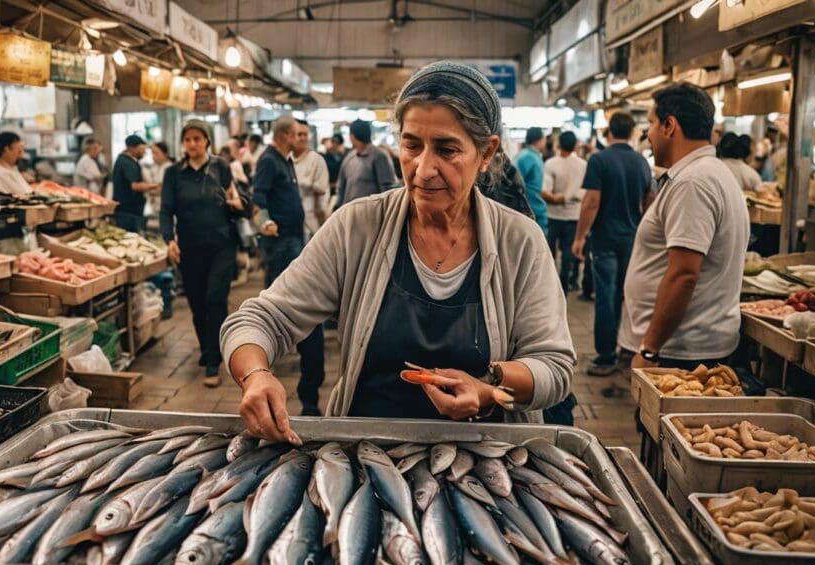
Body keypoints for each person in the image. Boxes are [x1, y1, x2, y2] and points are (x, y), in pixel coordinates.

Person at [222, 62, 575, 443]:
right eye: (412, 145)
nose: (423, 169)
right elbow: (261, 318)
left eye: (447, 149)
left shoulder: (520, 242)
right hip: (364, 456)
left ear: (486, 152)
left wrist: (490, 390)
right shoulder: (357, 227)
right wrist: (256, 375)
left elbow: (553, 368)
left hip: (483, 459)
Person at [623, 82, 749, 371]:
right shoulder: (706, 173)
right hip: (685, 347)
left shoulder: (693, 182)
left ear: (670, 126)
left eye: (652, 124)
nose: (648, 135)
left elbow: (684, 274)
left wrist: (650, 349)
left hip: (681, 353)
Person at [161, 120, 249, 386]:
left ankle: (213, 361)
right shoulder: (174, 173)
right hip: (190, 247)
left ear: (207, 142)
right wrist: (169, 239)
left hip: (221, 244)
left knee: (215, 299)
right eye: (188, 140)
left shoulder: (220, 167)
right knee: (197, 304)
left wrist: (236, 203)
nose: (192, 144)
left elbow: (237, 200)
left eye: (198, 139)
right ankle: (207, 349)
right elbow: (166, 210)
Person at [251, 116, 326, 416]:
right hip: (282, 243)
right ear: (285, 135)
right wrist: (264, 223)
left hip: (297, 239)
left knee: (299, 307)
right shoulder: (269, 160)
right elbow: (257, 199)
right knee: (292, 304)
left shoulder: (287, 160)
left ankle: (307, 385)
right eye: (298, 134)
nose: (302, 139)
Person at [571, 112, 653, 376]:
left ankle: (606, 355)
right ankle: (627, 349)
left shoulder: (599, 159)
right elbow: (649, 201)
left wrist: (580, 237)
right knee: (628, 296)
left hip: (605, 238)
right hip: (634, 238)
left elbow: (592, 201)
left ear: (608, 132)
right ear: (631, 132)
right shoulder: (642, 162)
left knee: (605, 296)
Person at [543, 131, 587, 292]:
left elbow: (545, 191)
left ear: (559, 144)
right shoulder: (583, 165)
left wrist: (557, 198)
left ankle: (550, 285)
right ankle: (565, 285)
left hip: (554, 214)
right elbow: (586, 191)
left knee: (551, 251)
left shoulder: (551, 163)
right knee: (569, 251)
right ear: (575, 145)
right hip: (574, 215)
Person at [336, 119, 398, 206]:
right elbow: (341, 187)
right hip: (350, 214)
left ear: (352, 136)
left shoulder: (378, 156)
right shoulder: (350, 157)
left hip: (371, 215)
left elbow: (387, 190)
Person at [112, 135, 159, 232]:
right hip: (129, 212)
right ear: (132, 148)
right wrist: (155, 186)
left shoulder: (123, 159)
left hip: (125, 210)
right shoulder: (127, 163)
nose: (145, 152)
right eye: (143, 149)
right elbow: (135, 186)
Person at [292, 119, 329, 239]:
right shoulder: (286, 159)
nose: (302, 138)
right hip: (290, 222)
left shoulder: (317, 160)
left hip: (311, 220)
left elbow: (322, 189)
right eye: (299, 134)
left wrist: (305, 185)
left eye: (305, 134)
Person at [514, 127, 548, 235]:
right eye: (544, 138)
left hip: (532, 207)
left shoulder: (530, 155)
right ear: (539, 139)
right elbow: (515, 182)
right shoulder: (527, 157)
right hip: (530, 208)